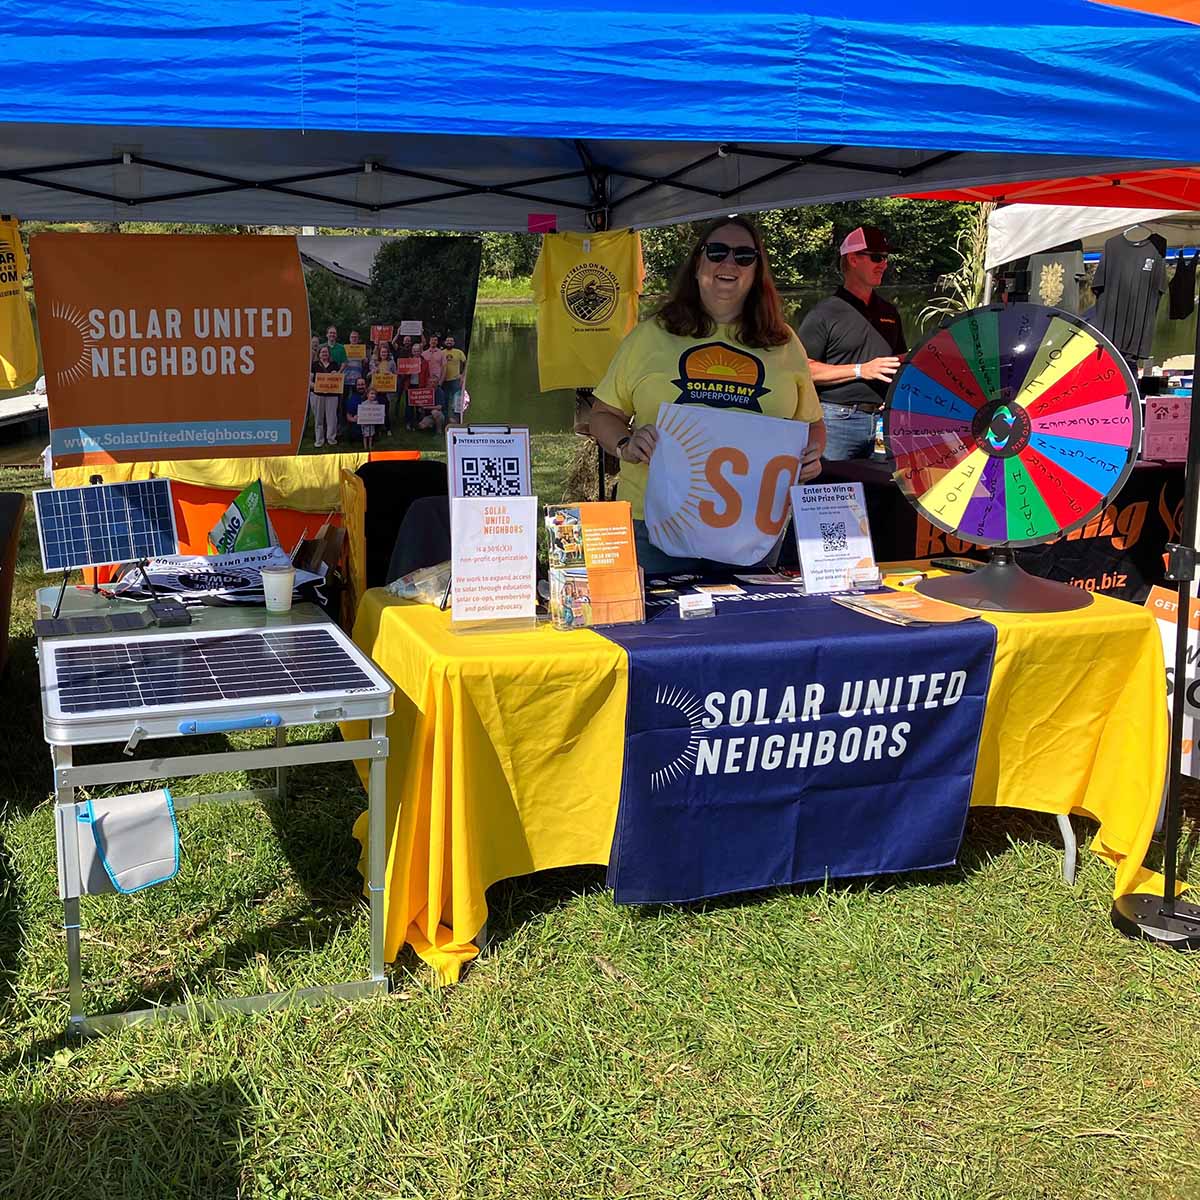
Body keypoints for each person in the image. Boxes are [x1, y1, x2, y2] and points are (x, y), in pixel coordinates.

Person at [589, 216, 825, 574]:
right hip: (654, 526)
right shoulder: (649, 336)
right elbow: (602, 415)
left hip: (751, 530)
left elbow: (811, 425)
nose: (729, 263)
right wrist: (625, 444)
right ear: (698, 261)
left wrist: (811, 456)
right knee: (656, 631)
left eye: (744, 256)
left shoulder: (784, 341)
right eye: (717, 252)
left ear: (757, 269)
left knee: (750, 629)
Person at [798, 225, 906, 462]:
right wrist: (862, 370)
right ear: (853, 259)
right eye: (877, 257)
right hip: (836, 421)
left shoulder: (889, 311)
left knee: (881, 494)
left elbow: (898, 359)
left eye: (886, 258)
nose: (884, 264)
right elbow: (802, 369)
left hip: (883, 422)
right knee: (832, 492)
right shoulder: (825, 312)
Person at [308, 344, 341, 448]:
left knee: (332, 418)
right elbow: (310, 381)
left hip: (332, 395)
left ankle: (331, 438)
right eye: (322, 352)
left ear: (329, 354)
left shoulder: (334, 364)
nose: (324, 354)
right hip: (318, 395)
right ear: (319, 354)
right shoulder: (314, 365)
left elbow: (338, 380)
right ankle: (319, 440)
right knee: (319, 418)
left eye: (326, 352)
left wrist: (336, 376)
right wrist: (317, 387)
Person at [441, 335, 466, 424]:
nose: (449, 342)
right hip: (444, 380)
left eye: (451, 341)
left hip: (455, 380)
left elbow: (466, 364)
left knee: (456, 402)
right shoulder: (441, 353)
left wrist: (462, 375)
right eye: (447, 341)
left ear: (454, 343)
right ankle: (445, 421)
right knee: (445, 401)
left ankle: (457, 420)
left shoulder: (459, 352)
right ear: (445, 342)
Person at [422, 334, 447, 417]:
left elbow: (444, 368)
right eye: (432, 340)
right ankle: (425, 417)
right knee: (427, 399)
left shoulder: (441, 353)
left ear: (437, 342)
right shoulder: (424, 353)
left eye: (435, 340)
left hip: (437, 381)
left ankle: (440, 417)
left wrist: (441, 381)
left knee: (438, 399)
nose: (433, 341)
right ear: (429, 342)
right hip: (427, 381)